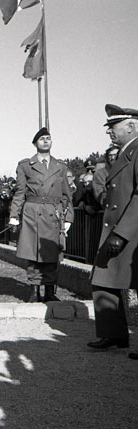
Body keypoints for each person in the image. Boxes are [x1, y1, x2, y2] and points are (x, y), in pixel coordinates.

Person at [87, 105, 138, 360]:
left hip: (132, 231)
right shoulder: (126, 152)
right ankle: (113, 333)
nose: (109, 132)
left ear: (131, 126)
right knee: (103, 278)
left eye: (113, 127)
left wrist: (122, 233)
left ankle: (115, 334)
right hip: (120, 228)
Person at [8, 127, 74, 302]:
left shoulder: (60, 166)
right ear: (35, 143)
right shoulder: (25, 165)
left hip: (53, 213)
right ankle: (34, 291)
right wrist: (14, 215)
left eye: (48, 138)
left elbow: (67, 195)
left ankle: (50, 291)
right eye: (41, 139)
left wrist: (68, 217)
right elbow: (20, 192)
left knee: (52, 252)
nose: (45, 141)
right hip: (33, 213)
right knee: (33, 253)